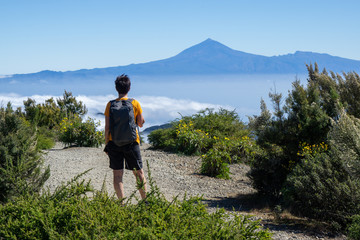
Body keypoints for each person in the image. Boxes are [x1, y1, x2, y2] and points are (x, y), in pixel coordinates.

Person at [104, 74, 147, 201]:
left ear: (116, 88)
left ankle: (121, 204)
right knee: (139, 173)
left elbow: (107, 128)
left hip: (114, 143)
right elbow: (140, 123)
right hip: (132, 143)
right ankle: (146, 202)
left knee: (117, 175)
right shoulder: (134, 103)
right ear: (129, 88)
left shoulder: (110, 104)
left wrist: (107, 144)